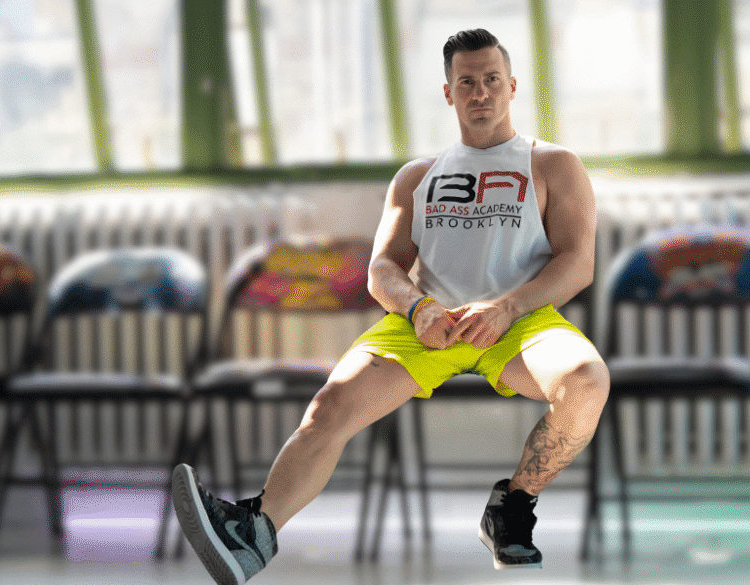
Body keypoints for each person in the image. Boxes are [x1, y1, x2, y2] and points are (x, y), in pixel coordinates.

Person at [170, 28, 609, 584]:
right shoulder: (417, 177)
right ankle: (253, 533)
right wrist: (417, 308)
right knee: (330, 406)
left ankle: (513, 508)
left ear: (512, 86)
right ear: (448, 93)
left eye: (491, 80)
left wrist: (505, 307)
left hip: (521, 320)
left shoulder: (553, 164)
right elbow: (382, 269)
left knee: (588, 383)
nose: (480, 93)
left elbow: (577, 261)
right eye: (466, 82)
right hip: (428, 324)